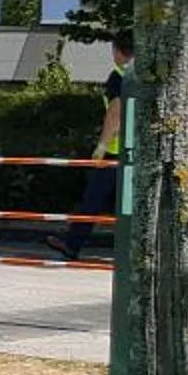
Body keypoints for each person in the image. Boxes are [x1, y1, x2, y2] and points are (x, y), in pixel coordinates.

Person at [49, 39, 130, 261]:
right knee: (129, 203)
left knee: (93, 198)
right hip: (138, 150)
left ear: (117, 51)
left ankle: (72, 245)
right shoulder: (145, 75)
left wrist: (102, 145)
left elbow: (115, 113)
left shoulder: (119, 76)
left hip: (115, 151)